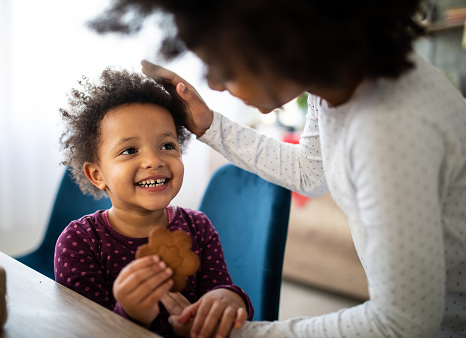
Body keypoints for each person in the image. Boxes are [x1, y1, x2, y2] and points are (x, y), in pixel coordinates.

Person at [87, 0, 466, 337]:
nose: (215, 84)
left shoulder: (389, 129)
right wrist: (208, 126)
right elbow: (311, 173)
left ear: (280, 38)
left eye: (223, 65)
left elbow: (402, 323)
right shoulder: (333, 86)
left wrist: (237, 333)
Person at [54, 68, 253, 338]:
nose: (154, 160)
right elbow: (83, 332)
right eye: (129, 150)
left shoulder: (198, 228)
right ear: (98, 175)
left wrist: (231, 300)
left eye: (167, 146)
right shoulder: (80, 242)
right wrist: (131, 315)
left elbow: (220, 292)